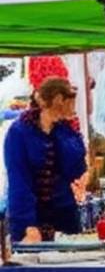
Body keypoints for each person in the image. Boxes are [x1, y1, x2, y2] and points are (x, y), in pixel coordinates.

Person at [4, 77, 87, 242]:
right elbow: (18, 181)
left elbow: (76, 169)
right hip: (31, 217)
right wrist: (27, 224)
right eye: (70, 102)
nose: (74, 108)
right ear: (58, 100)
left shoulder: (64, 131)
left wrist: (72, 134)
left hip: (64, 216)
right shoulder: (19, 132)